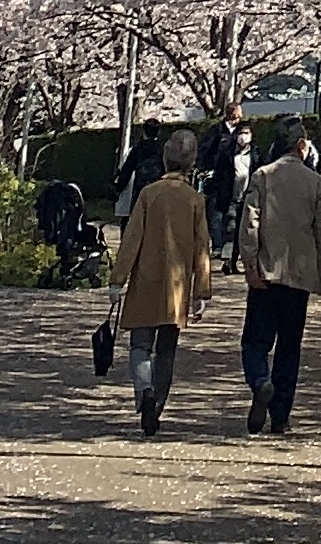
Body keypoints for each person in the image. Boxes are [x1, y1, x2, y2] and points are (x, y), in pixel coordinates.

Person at [238, 115, 321, 435]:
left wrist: (250, 265)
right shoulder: (315, 182)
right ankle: (280, 416)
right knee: (289, 346)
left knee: (255, 342)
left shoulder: (262, 176)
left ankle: (259, 381)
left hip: (266, 276)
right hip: (298, 277)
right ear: (301, 145)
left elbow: (249, 225)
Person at [107, 128, 212, 438]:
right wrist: (201, 291)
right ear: (192, 163)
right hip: (177, 287)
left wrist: (117, 280)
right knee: (167, 350)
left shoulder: (149, 194)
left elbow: (131, 241)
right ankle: (158, 404)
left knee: (140, 346)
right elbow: (202, 248)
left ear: (165, 158)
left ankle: (145, 392)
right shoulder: (195, 200)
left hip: (146, 281)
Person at [198, 103, 248, 251]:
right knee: (217, 213)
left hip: (238, 179)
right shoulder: (217, 132)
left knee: (232, 214)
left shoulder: (243, 131)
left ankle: (230, 245)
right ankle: (219, 245)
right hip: (219, 179)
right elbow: (205, 151)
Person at [210, 122, 257, 273]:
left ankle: (238, 261)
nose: (243, 137)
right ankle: (229, 261)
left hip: (249, 198)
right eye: (241, 133)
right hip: (232, 198)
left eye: (247, 133)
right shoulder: (228, 153)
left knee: (245, 233)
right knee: (230, 229)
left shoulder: (255, 155)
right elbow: (220, 173)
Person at [112, 120, 165, 231]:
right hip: (159, 189)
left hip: (140, 190)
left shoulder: (138, 149)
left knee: (137, 223)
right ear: (158, 132)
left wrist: (118, 188)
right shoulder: (163, 149)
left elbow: (126, 171)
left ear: (143, 132)